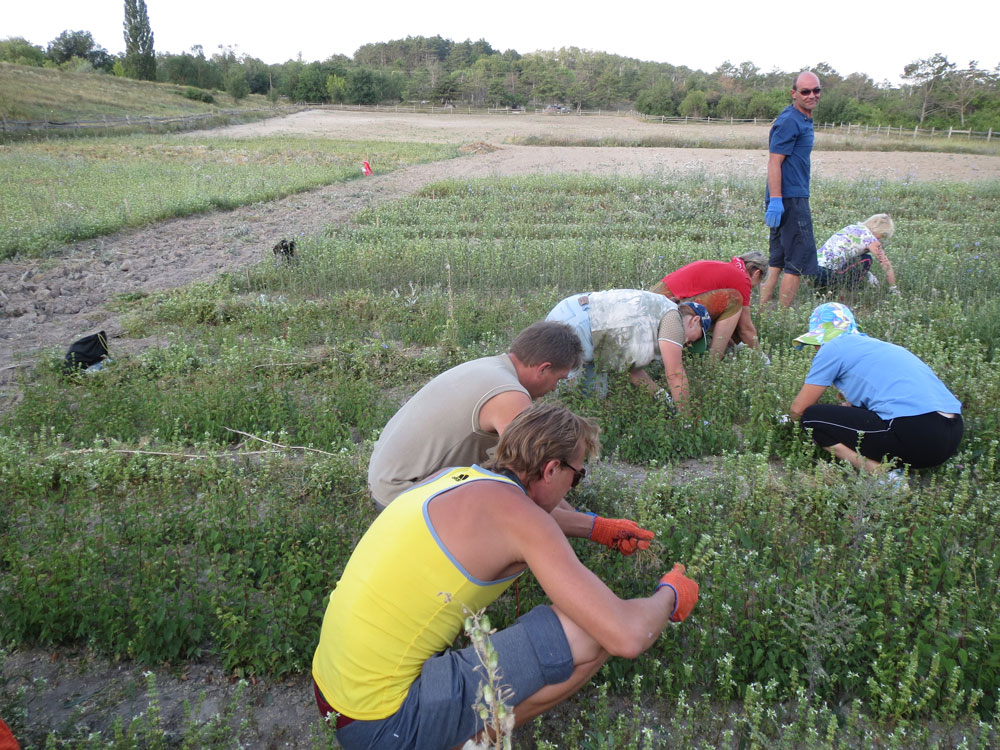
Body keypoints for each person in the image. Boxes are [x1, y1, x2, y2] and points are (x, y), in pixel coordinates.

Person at [312, 404, 700, 750]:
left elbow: (521, 512)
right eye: (576, 477)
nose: (573, 487)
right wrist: (669, 594)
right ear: (552, 469)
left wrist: (597, 528)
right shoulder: (523, 520)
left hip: (335, 694)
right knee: (588, 632)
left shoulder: (451, 478)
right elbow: (627, 636)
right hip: (385, 727)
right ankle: (473, 744)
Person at [368, 320, 653, 552]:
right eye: (559, 378)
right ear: (543, 369)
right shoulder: (510, 398)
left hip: (386, 476)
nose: (556, 387)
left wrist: (579, 515)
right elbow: (531, 494)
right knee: (511, 525)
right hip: (401, 496)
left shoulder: (489, 367)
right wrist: (597, 528)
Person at [788, 303, 963, 477]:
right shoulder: (878, 347)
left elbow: (799, 409)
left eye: (815, 343)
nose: (816, 349)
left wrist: (790, 424)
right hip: (951, 435)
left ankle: (884, 475)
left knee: (812, 418)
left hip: (915, 432)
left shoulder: (834, 346)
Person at [545, 289, 711, 411]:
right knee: (564, 398)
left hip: (577, 314)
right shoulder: (673, 319)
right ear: (694, 321)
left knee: (595, 398)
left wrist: (663, 397)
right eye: (694, 339)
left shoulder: (656, 318)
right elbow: (675, 373)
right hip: (578, 323)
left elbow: (631, 371)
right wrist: (686, 419)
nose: (688, 344)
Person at [759, 71, 822, 309]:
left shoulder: (802, 118)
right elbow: (775, 162)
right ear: (793, 93)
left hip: (789, 197)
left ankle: (762, 311)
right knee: (797, 261)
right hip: (790, 199)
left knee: (778, 260)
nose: (811, 95)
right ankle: (782, 319)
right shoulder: (789, 120)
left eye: (816, 90)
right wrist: (776, 200)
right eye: (805, 91)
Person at [650, 252, 769, 358]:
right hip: (669, 303)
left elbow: (725, 318)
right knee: (735, 299)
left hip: (655, 300)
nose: (751, 288)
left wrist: (736, 344)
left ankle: (730, 349)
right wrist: (762, 357)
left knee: (726, 308)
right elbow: (745, 328)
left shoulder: (728, 268)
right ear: (757, 273)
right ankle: (714, 362)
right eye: (755, 285)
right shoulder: (742, 278)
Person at [813, 214, 898, 291]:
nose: (880, 239)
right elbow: (886, 264)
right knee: (867, 259)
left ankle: (821, 289)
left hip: (812, 267)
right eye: (882, 236)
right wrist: (893, 287)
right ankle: (845, 291)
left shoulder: (853, 228)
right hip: (825, 273)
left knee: (860, 258)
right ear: (878, 229)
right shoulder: (869, 238)